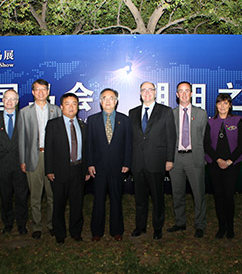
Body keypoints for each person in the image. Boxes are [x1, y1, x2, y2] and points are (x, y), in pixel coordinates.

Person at [129, 81, 176, 240]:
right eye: (144, 90)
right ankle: (140, 226)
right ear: (140, 93)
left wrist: (170, 159)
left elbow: (171, 136)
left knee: (157, 198)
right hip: (137, 162)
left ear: (155, 92)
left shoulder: (165, 111)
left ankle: (157, 227)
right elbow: (132, 139)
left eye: (150, 90)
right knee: (140, 199)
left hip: (157, 161)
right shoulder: (133, 112)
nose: (147, 92)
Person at [18, 79, 62, 239]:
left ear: (48, 91)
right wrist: (22, 160)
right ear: (33, 92)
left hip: (52, 158)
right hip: (33, 156)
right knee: (35, 195)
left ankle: (51, 224)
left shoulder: (56, 110)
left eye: (44, 89)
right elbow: (21, 138)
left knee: (52, 195)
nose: (41, 92)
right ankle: (36, 226)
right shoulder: (24, 112)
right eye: (37, 89)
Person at [86, 88, 132, 241]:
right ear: (100, 101)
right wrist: (90, 164)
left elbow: (128, 144)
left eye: (111, 98)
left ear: (116, 101)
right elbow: (89, 145)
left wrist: (127, 162)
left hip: (117, 167)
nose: (107, 101)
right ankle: (97, 231)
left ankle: (117, 230)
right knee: (98, 200)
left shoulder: (124, 120)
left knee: (116, 199)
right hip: (98, 167)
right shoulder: (92, 120)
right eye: (104, 98)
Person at [45, 93, 89, 244]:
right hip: (59, 170)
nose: (71, 107)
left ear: (78, 106)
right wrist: (49, 170)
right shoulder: (53, 124)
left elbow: (86, 150)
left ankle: (76, 232)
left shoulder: (83, 125)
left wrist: (86, 170)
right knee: (59, 203)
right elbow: (49, 149)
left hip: (78, 169)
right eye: (68, 104)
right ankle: (60, 233)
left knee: (77, 203)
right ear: (61, 107)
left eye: (74, 104)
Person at [168, 82, 208, 238]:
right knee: (177, 192)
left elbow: (206, 139)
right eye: (180, 91)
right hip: (176, 159)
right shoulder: (171, 114)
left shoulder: (201, 113)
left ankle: (200, 224)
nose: (184, 94)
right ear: (177, 94)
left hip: (194, 158)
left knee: (199, 193)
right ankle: (180, 222)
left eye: (187, 91)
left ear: (191, 94)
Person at [204, 93, 242, 239]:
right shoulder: (211, 122)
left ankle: (230, 227)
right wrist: (218, 160)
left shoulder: (237, 120)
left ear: (230, 105)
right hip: (214, 165)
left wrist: (229, 161)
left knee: (229, 195)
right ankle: (221, 226)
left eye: (226, 103)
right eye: (220, 103)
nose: (222, 106)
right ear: (216, 105)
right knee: (218, 196)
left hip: (232, 165)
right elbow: (206, 144)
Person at [0, 89, 29, 235]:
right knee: (5, 196)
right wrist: (0, 151)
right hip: (2, 164)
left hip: (20, 164)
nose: (10, 101)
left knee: (21, 196)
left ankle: (22, 224)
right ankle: (8, 223)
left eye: (13, 99)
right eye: (7, 98)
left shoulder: (23, 118)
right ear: (2, 100)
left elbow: (28, 139)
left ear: (17, 102)